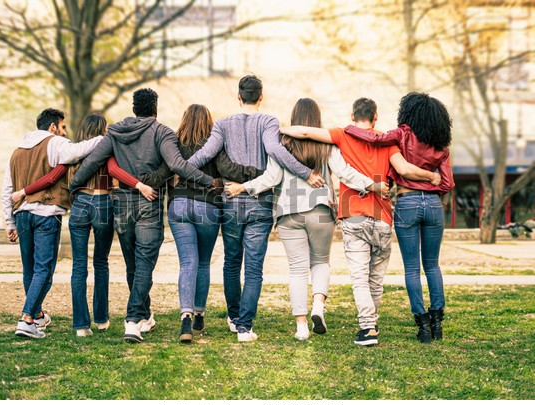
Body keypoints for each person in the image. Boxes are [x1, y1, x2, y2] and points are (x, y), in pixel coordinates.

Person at [280, 97, 441, 346]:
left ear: (352, 116)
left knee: (359, 278)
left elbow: (302, 131)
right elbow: (405, 169)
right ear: (375, 117)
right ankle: (371, 324)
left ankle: (368, 329)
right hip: (382, 217)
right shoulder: (388, 143)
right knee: (375, 279)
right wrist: (431, 176)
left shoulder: (343, 135)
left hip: (353, 213)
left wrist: (276, 129)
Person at [224, 98, 389, 340]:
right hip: (321, 211)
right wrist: (371, 185)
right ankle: (318, 307)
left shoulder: (283, 144)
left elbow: (270, 178)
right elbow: (345, 172)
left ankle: (301, 326)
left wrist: (243, 187)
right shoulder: (327, 146)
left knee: (297, 271)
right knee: (320, 262)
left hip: (289, 213)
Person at [68, 88, 219, 344]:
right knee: (144, 266)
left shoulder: (115, 133)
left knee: (134, 266)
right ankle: (133, 320)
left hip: (121, 204)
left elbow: (93, 161)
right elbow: (177, 165)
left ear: (134, 108)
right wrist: (209, 181)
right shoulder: (162, 132)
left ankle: (145, 316)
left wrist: (74, 186)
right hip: (149, 204)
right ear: (155, 109)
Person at [187, 75, 324, 342]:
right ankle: (244, 327)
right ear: (261, 96)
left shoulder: (223, 124)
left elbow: (205, 154)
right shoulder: (269, 121)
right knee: (253, 268)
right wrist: (306, 173)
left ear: (238, 97)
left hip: (231, 203)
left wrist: (178, 168)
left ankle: (234, 316)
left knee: (231, 263)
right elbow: (276, 152)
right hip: (260, 204)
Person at [11, 114, 157, 337]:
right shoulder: (105, 148)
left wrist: (24, 191)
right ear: (101, 130)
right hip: (102, 203)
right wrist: (139, 185)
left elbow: (52, 176)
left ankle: (81, 325)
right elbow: (115, 170)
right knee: (101, 262)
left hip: (79, 206)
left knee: (78, 266)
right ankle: (101, 319)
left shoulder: (72, 152)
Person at [138, 104, 263, 342]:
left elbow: (163, 172)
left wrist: (140, 181)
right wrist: (258, 171)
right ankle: (199, 315)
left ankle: (185, 317)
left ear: (184, 120)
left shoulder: (173, 143)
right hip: (208, 208)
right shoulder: (214, 143)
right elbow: (229, 169)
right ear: (208, 121)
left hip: (179, 206)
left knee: (187, 263)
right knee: (203, 263)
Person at [343, 92, 454, 343]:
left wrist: (349, 128)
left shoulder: (402, 133)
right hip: (434, 206)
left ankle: (423, 327)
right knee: (433, 265)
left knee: (412, 268)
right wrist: (430, 182)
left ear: (409, 113)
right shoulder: (441, 146)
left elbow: (374, 136)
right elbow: (447, 183)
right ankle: (437, 323)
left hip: (407, 203)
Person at [1, 108, 103, 339]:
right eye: (63, 127)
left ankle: (37, 315)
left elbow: (7, 188)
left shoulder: (17, 151)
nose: (65, 132)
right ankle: (27, 319)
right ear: (53, 127)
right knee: (44, 268)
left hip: (22, 215)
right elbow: (78, 151)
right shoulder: (54, 143)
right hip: (46, 213)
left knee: (29, 269)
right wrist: (103, 137)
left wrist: (9, 221)